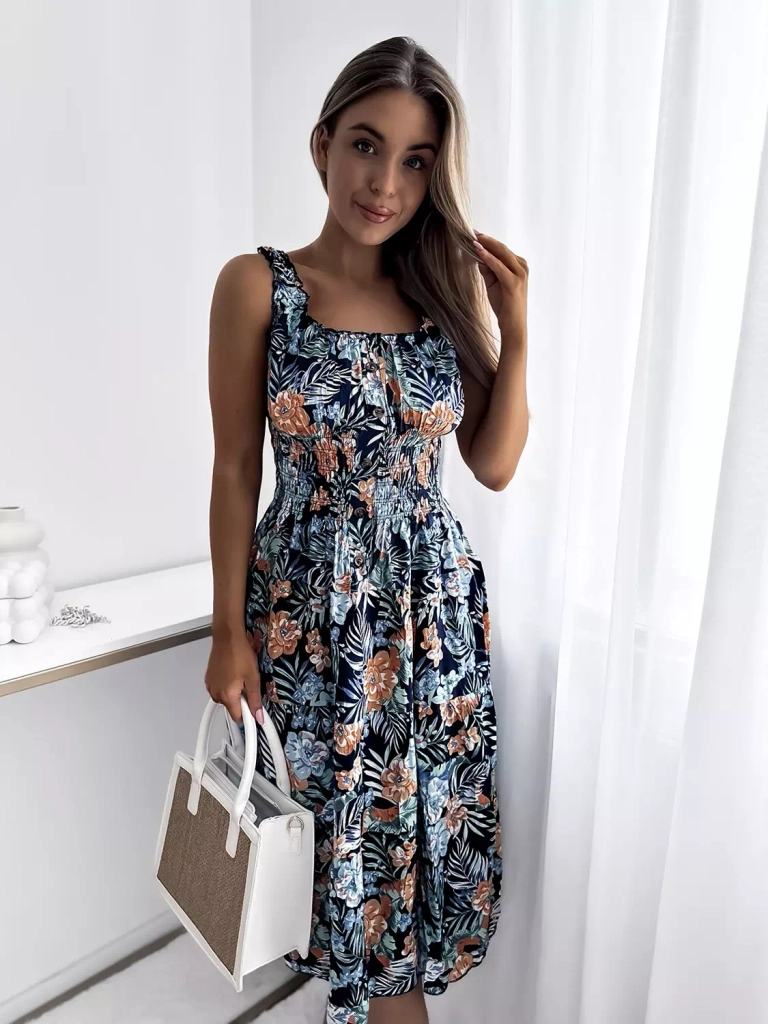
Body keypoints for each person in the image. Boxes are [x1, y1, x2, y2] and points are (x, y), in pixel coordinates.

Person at [205, 34, 529, 1024]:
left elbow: (494, 462)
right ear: (322, 145)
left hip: (431, 633)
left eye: (416, 160)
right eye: (365, 145)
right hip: (315, 625)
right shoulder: (260, 286)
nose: (385, 182)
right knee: (340, 886)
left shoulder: (439, 297)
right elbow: (235, 468)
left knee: (406, 898)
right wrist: (227, 633)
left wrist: (517, 332)